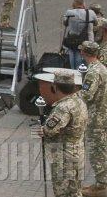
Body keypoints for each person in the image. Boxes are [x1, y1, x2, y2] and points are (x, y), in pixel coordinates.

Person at [34, 68, 89, 197]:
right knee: (75, 192)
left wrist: (41, 129)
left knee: (63, 193)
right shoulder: (79, 101)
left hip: (64, 157)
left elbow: (48, 130)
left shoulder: (63, 108)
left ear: (54, 87)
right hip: (77, 151)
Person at [81, 41, 107, 197]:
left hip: (96, 118)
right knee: (102, 148)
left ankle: (102, 186)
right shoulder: (102, 68)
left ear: (84, 53)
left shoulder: (93, 72)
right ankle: (101, 182)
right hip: (103, 115)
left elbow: (87, 95)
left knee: (96, 150)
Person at [64, 0, 97, 70]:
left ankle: (74, 71)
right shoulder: (90, 12)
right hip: (87, 41)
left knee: (72, 55)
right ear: (83, 4)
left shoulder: (69, 12)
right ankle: (82, 75)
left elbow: (65, 23)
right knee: (85, 58)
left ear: (73, 5)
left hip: (72, 40)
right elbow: (96, 23)